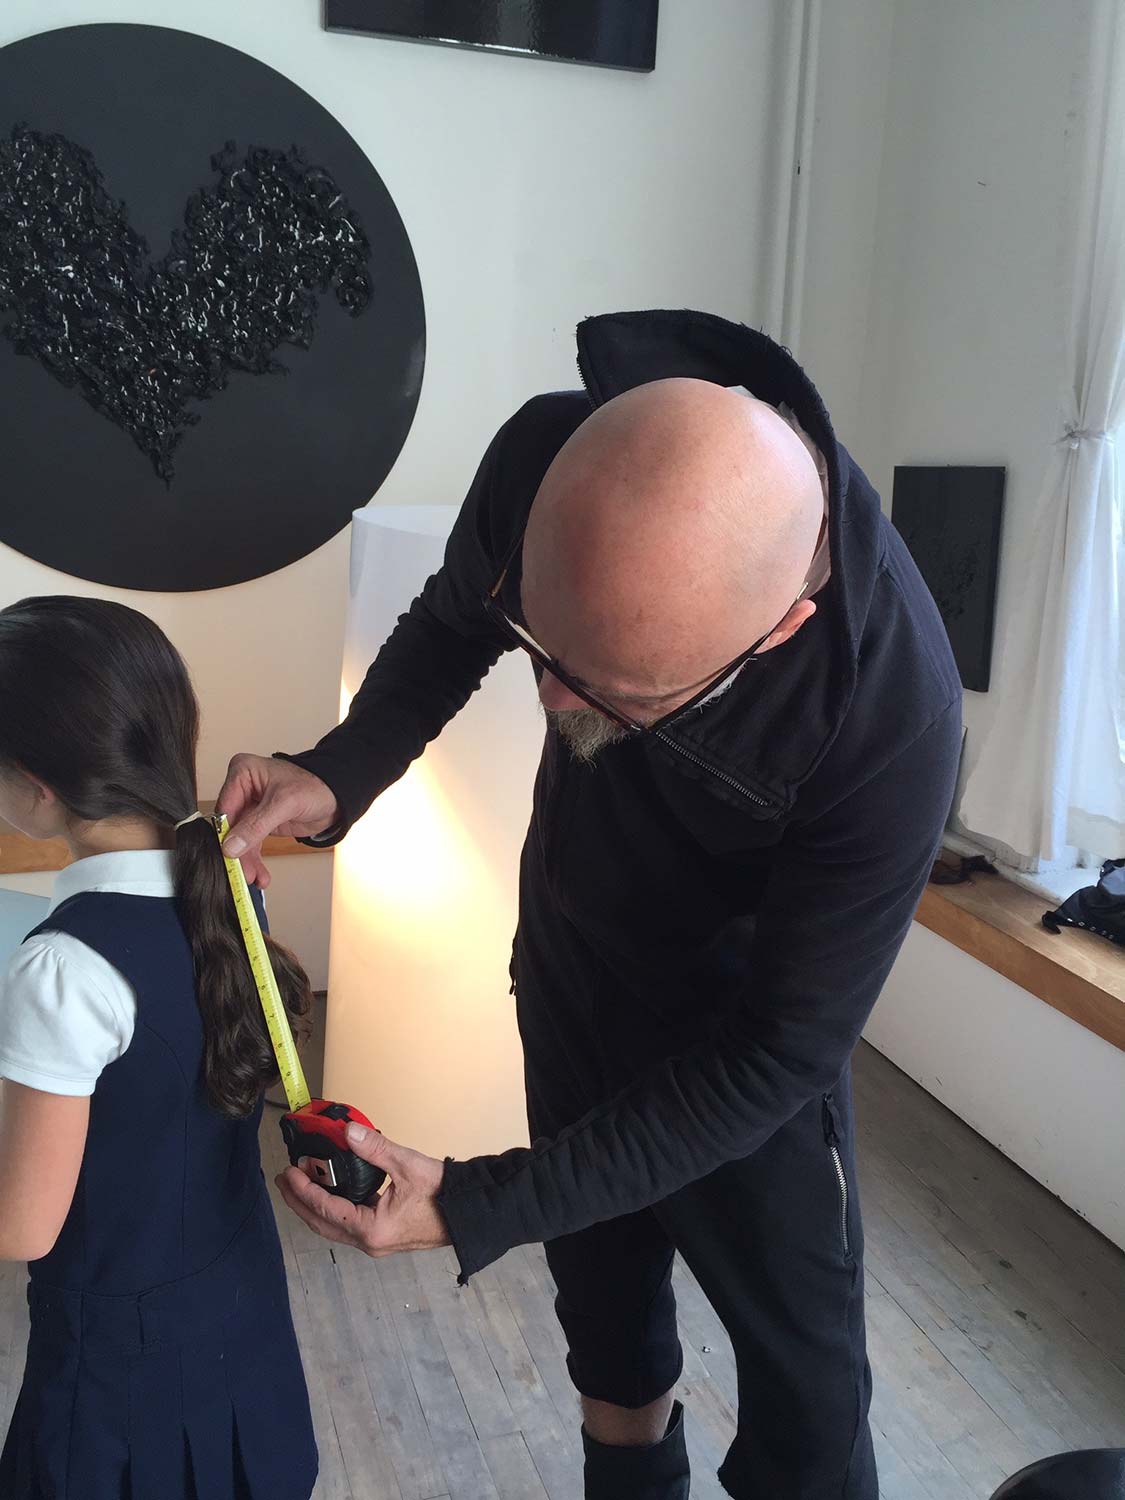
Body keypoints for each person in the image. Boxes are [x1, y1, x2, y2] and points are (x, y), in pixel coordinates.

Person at [220, 309, 962, 1500]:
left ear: (781, 629)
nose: (555, 702)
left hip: (742, 1033)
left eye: (616, 693)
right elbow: (452, 624)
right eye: (546, 649)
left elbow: (776, 1057)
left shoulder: (892, 721)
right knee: (606, 1319)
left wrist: (476, 1203)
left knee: (811, 1392)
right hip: (572, 958)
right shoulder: (547, 458)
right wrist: (340, 771)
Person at [0, 597, 318, 1500]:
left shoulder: (61, 969)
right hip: (237, 1309)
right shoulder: (234, 891)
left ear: (38, 787)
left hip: (118, 1372)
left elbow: (22, 1225)